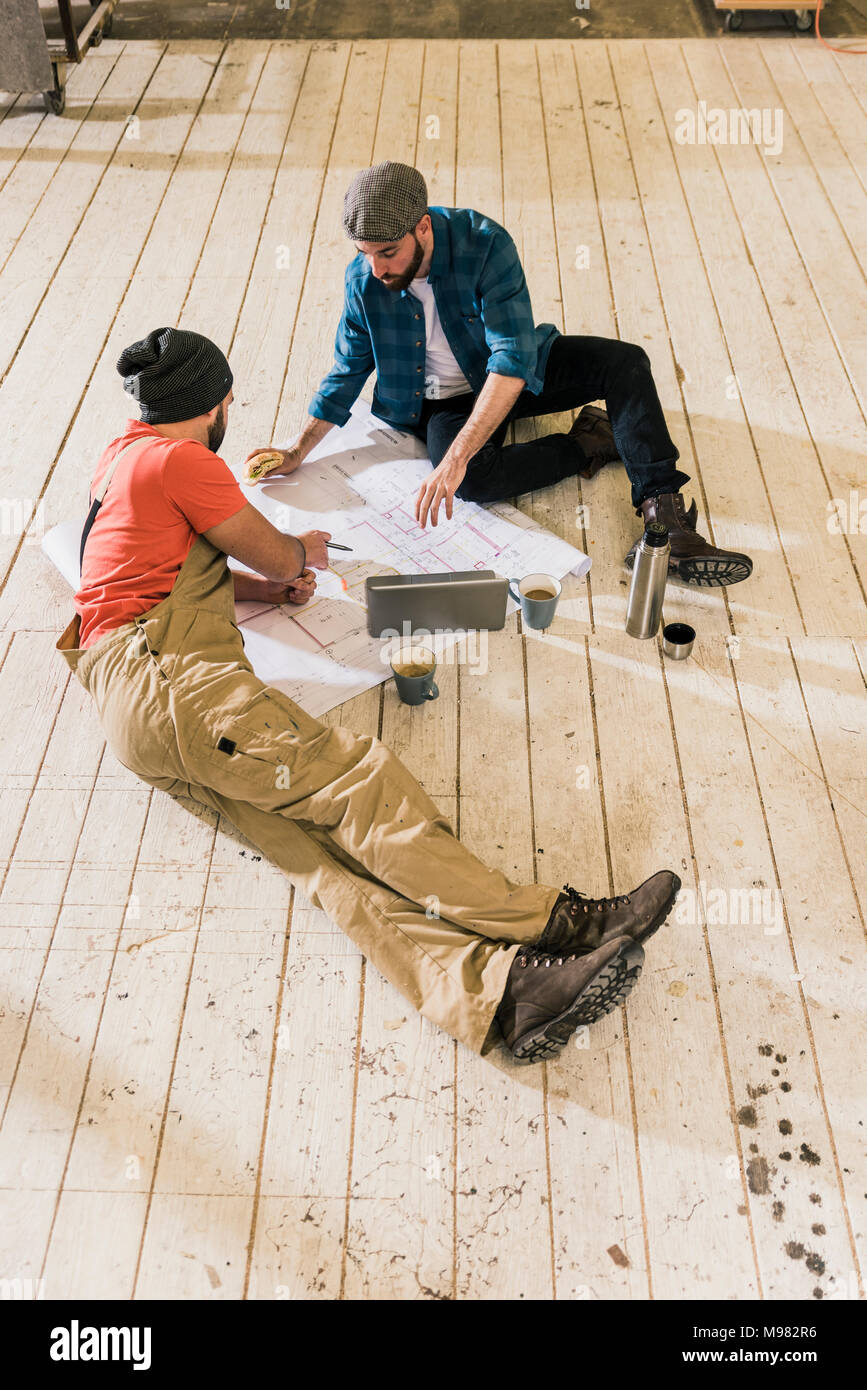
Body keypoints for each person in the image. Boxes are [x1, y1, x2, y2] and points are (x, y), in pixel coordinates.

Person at [57, 326, 681, 1066]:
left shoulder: (120, 459)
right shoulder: (182, 460)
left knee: (326, 864)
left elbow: (156, 577)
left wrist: (264, 588)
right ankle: (556, 923)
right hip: (177, 690)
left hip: (135, 711)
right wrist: (300, 555)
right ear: (214, 403)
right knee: (361, 789)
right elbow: (279, 548)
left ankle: (503, 998)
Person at [250, 160, 752, 585]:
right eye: (364, 253)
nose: (376, 268)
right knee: (472, 481)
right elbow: (347, 368)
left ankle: (665, 520)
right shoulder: (364, 279)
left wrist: (454, 458)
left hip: (510, 375)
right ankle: (589, 441)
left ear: (422, 226)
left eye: (387, 252)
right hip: (442, 403)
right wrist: (297, 451)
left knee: (625, 362)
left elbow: (512, 358)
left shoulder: (485, 245)